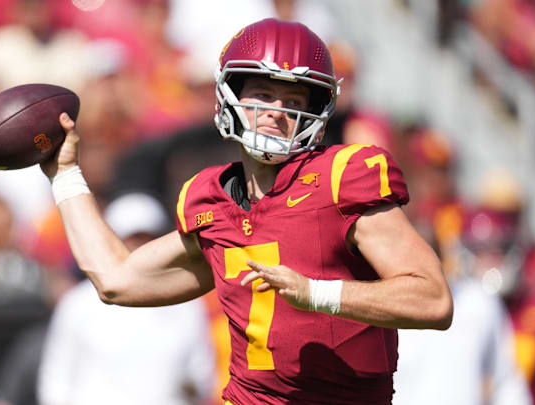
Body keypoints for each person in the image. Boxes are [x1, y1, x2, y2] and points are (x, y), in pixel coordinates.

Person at [40, 18, 453, 404]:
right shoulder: (211, 199)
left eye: (293, 99)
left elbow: (433, 299)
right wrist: (65, 175)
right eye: (263, 94)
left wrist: (316, 293)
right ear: (229, 97)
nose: (275, 111)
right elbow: (116, 280)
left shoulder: (342, 179)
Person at [37, 191, 215, 405]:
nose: (139, 247)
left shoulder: (187, 304)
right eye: (131, 238)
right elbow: (56, 381)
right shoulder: (78, 303)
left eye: (148, 238)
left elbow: (201, 375)